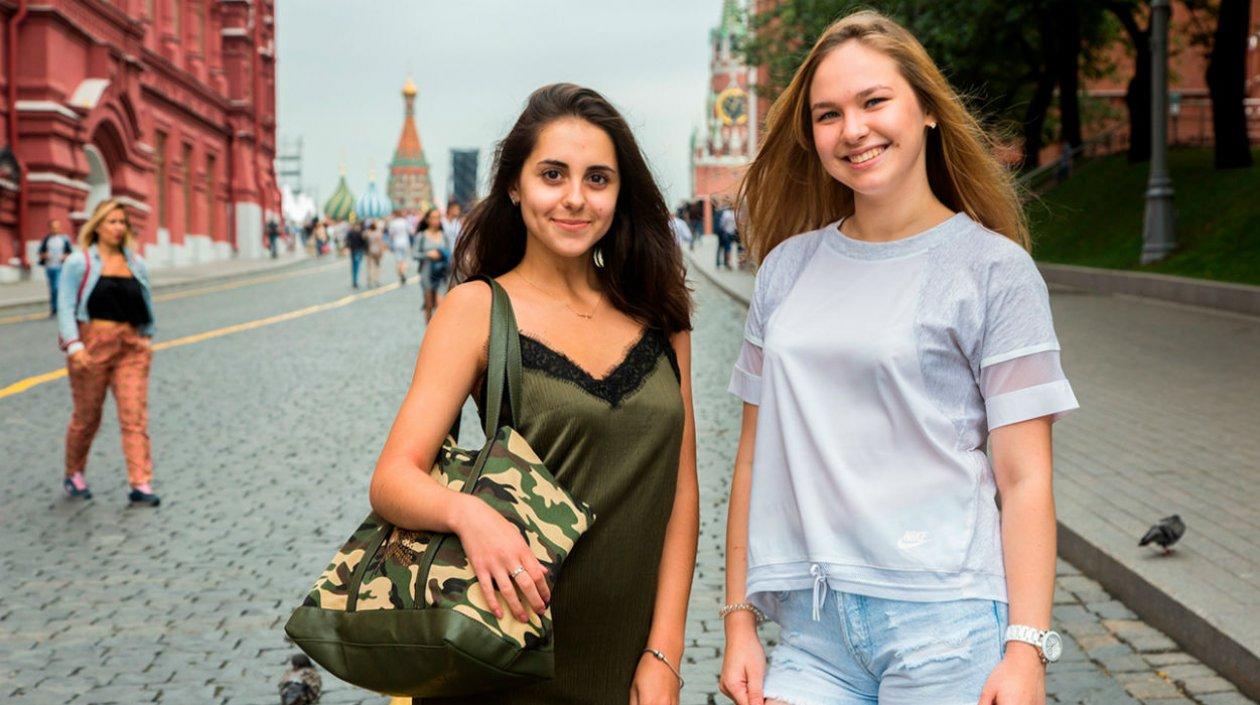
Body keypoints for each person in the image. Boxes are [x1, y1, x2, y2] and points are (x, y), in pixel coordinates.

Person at [719, 11, 1080, 705]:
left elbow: (1026, 477)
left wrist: (1026, 649)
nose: (852, 129)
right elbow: (751, 455)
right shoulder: (785, 272)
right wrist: (739, 619)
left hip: (946, 624)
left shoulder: (992, 270)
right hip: (811, 632)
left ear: (928, 111)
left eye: (873, 101)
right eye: (828, 114)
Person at [369, 83, 698, 705]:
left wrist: (666, 652)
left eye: (598, 178)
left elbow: (682, 490)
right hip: (505, 651)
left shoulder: (661, 313)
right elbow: (393, 477)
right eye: (553, 174)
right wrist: (469, 514)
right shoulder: (475, 310)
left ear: (620, 192)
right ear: (515, 186)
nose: (575, 198)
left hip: (627, 661)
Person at [56, 198, 160, 507]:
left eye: (122, 222)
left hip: (131, 346)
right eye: (112, 221)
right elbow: (65, 306)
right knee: (87, 417)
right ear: (98, 225)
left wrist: (146, 336)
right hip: (92, 345)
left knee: (134, 417)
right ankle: (74, 472)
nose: (118, 228)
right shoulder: (79, 263)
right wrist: (74, 345)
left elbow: (145, 301)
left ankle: (141, 483)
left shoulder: (136, 263)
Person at [413, 207, 452, 322]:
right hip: (427, 274)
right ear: (427, 219)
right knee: (429, 306)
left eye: (438, 217)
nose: (436, 220)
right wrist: (428, 255)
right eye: (433, 217)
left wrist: (443, 255)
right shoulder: (421, 236)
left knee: (440, 306)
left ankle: (439, 333)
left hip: (442, 274)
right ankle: (429, 333)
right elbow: (414, 254)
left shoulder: (444, 235)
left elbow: (450, 253)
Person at [38, 219, 74, 316]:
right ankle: (54, 308)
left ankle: (61, 307)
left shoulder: (64, 239)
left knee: (57, 287)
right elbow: (40, 253)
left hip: (61, 267)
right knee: (53, 289)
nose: (56, 229)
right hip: (50, 267)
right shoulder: (46, 240)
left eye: (57, 227)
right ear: (50, 228)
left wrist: (65, 256)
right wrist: (44, 255)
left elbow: (70, 252)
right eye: (53, 227)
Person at [387, 211, 412, 285]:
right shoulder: (404, 222)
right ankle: (403, 272)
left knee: (398, 260)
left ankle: (401, 274)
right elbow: (410, 231)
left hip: (396, 243)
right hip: (405, 242)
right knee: (404, 260)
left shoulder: (393, 223)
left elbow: (391, 234)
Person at [345, 217, 367, 289]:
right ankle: (355, 281)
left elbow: (347, 242)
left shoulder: (351, 232)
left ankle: (355, 281)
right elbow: (364, 242)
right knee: (356, 266)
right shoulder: (360, 232)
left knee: (354, 266)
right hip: (357, 250)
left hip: (354, 250)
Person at [365, 218, 386, 287]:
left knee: (370, 266)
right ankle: (376, 279)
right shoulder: (378, 233)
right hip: (376, 250)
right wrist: (382, 251)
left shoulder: (368, 233)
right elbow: (380, 243)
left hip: (369, 250)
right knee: (377, 266)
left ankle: (369, 280)